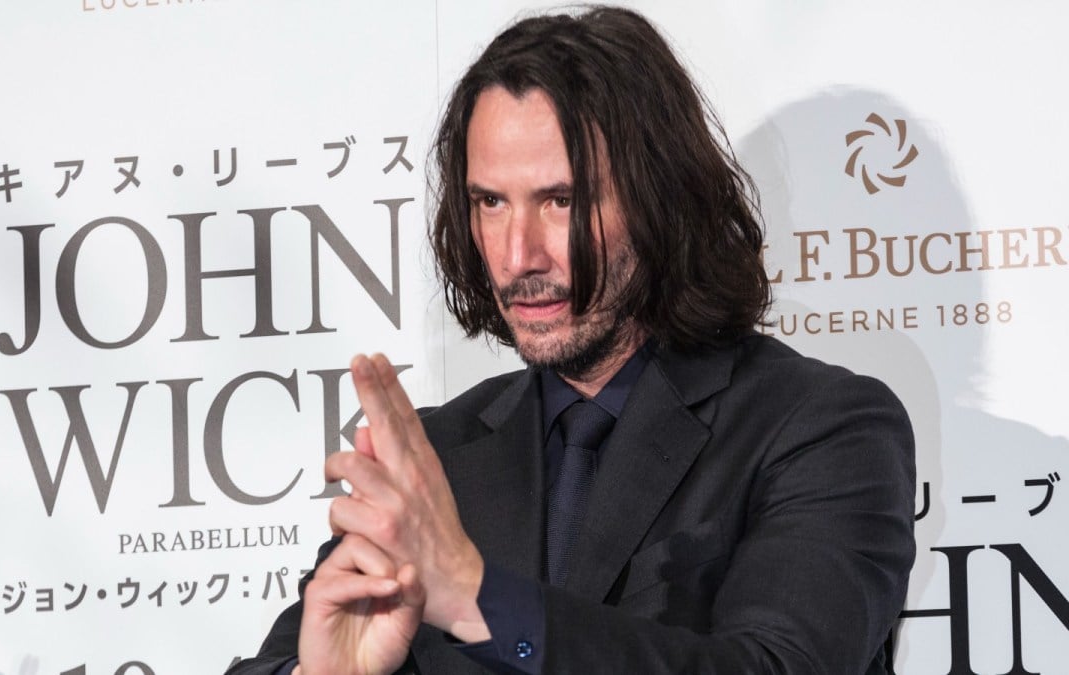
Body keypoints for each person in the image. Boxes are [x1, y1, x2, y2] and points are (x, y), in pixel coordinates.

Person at [227, 6, 915, 674]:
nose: (518, 254)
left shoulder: (821, 428)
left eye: (562, 200)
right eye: (489, 202)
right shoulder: (438, 458)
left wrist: (475, 597)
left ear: (659, 198)